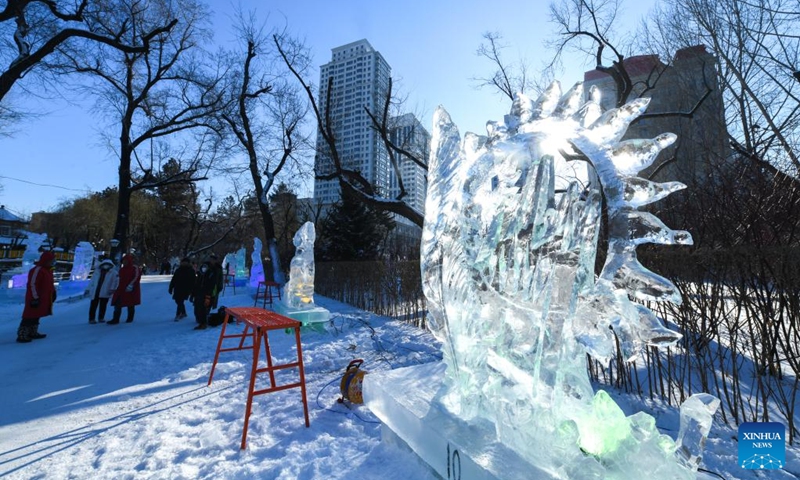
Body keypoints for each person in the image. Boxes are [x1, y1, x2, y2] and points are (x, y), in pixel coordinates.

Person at [16, 251, 57, 343]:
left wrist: (53, 292)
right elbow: (32, 284)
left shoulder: (48, 270)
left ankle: (32, 331)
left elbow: (50, 284)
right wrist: (35, 297)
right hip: (35, 298)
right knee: (29, 315)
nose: (53, 262)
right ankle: (22, 334)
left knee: (37, 314)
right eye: (51, 260)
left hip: (43, 297)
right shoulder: (37, 270)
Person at [108, 253, 142, 325]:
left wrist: (131, 285)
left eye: (126, 261)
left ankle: (130, 318)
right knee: (117, 303)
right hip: (121, 289)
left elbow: (136, 277)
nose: (124, 262)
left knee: (130, 304)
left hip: (130, 289)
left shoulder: (134, 268)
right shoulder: (122, 269)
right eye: (123, 261)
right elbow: (118, 279)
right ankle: (116, 318)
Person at [86, 259, 118, 324]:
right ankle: (91, 318)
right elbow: (92, 281)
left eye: (108, 264)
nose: (106, 266)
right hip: (96, 291)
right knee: (93, 306)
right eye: (104, 264)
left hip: (106, 291)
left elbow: (115, 282)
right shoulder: (97, 271)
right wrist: (88, 288)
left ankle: (101, 317)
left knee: (103, 306)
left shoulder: (114, 273)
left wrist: (112, 289)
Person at [191, 261, 217, 330]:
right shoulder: (199, 274)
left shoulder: (211, 274)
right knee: (197, 309)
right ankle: (200, 321)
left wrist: (208, 297)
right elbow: (195, 284)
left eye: (205, 267)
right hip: (198, 294)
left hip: (206, 294)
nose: (204, 268)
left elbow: (211, 286)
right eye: (203, 267)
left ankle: (203, 323)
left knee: (203, 309)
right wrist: (192, 294)